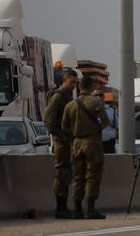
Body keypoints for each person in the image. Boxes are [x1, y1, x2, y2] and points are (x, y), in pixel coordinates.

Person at [61, 73, 111, 219]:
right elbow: (106, 122)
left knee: (78, 176)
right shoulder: (95, 103)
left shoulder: (70, 105)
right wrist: (94, 128)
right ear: (91, 87)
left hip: (76, 144)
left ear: (79, 86)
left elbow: (65, 127)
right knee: (92, 175)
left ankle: (77, 209)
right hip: (92, 143)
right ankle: (90, 208)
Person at [43, 68, 79, 218]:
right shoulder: (58, 97)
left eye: (75, 83)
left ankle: (65, 206)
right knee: (62, 173)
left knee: (68, 173)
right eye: (71, 82)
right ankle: (61, 207)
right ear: (64, 81)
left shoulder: (68, 96)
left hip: (69, 140)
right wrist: (60, 135)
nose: (73, 86)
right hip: (62, 142)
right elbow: (48, 121)